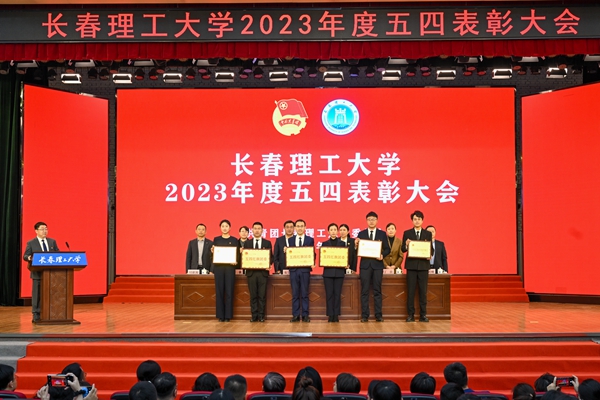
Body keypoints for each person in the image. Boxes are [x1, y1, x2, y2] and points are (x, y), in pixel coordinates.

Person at [355, 211, 390, 322]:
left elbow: (387, 249)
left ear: (377, 221)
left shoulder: (382, 234)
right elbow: (357, 250)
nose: (371, 221)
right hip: (365, 266)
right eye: (369, 219)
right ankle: (365, 315)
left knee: (377, 290)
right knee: (364, 291)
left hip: (377, 266)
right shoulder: (361, 234)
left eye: (373, 219)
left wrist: (382, 255)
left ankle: (378, 315)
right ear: (366, 221)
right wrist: (356, 245)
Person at [23, 221, 59, 323]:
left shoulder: (52, 242)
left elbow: (57, 254)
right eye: (42, 229)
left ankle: (51, 313)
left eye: (46, 229)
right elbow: (25, 256)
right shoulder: (31, 243)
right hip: (37, 273)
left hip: (51, 274)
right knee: (37, 295)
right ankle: (36, 314)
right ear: (36, 231)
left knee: (51, 294)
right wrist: (29, 258)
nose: (45, 231)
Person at [401, 210, 434, 322]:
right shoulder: (407, 233)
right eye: (415, 219)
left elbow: (431, 249)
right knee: (410, 292)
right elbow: (403, 249)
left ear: (422, 220)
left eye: (419, 219)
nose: (417, 221)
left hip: (423, 266)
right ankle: (410, 315)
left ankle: (423, 315)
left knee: (423, 292)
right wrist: (406, 245)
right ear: (412, 220)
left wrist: (430, 254)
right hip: (411, 266)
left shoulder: (427, 234)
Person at [243, 222, 273, 322]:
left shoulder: (267, 243)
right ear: (252, 230)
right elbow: (245, 257)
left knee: (262, 295)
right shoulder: (247, 243)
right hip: (251, 273)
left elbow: (271, 257)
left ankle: (261, 316)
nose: (257, 230)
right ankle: (254, 315)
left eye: (259, 228)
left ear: (262, 230)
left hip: (262, 273)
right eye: (255, 228)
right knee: (253, 296)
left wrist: (269, 264)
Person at [212, 219, 239, 322]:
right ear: (220, 228)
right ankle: (220, 315)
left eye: (226, 226)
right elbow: (214, 254)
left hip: (229, 268)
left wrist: (235, 261)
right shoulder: (216, 239)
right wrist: (212, 252)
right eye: (223, 226)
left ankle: (228, 315)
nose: (224, 228)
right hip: (219, 268)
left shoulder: (234, 240)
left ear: (230, 228)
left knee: (229, 291)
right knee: (219, 292)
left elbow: (237, 254)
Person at [288, 219, 315, 323]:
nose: (300, 228)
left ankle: (305, 315)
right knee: (295, 294)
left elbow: (312, 253)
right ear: (295, 228)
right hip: (294, 270)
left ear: (305, 228)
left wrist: (312, 261)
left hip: (305, 270)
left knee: (304, 294)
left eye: (302, 226)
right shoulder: (290, 240)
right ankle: (295, 315)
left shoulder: (310, 239)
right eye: (298, 226)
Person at [321, 223, 348, 322]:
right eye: (331, 230)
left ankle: (336, 315)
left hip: (339, 272)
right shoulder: (324, 244)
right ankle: (330, 315)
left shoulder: (342, 243)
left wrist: (345, 263)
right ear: (328, 232)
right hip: (328, 273)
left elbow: (345, 256)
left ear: (337, 231)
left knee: (337, 294)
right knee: (329, 295)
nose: (333, 231)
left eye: (335, 230)